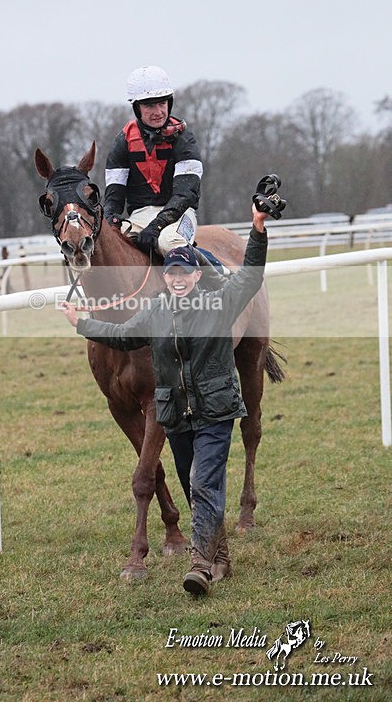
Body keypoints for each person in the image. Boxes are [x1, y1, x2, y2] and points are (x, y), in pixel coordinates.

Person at [61, 203, 269, 595]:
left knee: (204, 484)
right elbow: (122, 337)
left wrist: (257, 228)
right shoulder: (155, 311)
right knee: (195, 487)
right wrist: (82, 323)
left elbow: (250, 276)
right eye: (170, 273)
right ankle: (220, 556)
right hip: (178, 417)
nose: (176, 279)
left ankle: (200, 566)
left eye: (184, 272)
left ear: (197, 274)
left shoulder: (220, 302)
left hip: (214, 412)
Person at [104, 65, 204, 258]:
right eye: (150, 105)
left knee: (168, 243)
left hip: (181, 214)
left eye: (162, 103)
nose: (158, 111)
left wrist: (156, 226)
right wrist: (111, 219)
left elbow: (186, 194)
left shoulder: (184, 139)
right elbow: (114, 197)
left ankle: (218, 279)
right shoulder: (122, 142)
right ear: (137, 108)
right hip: (140, 216)